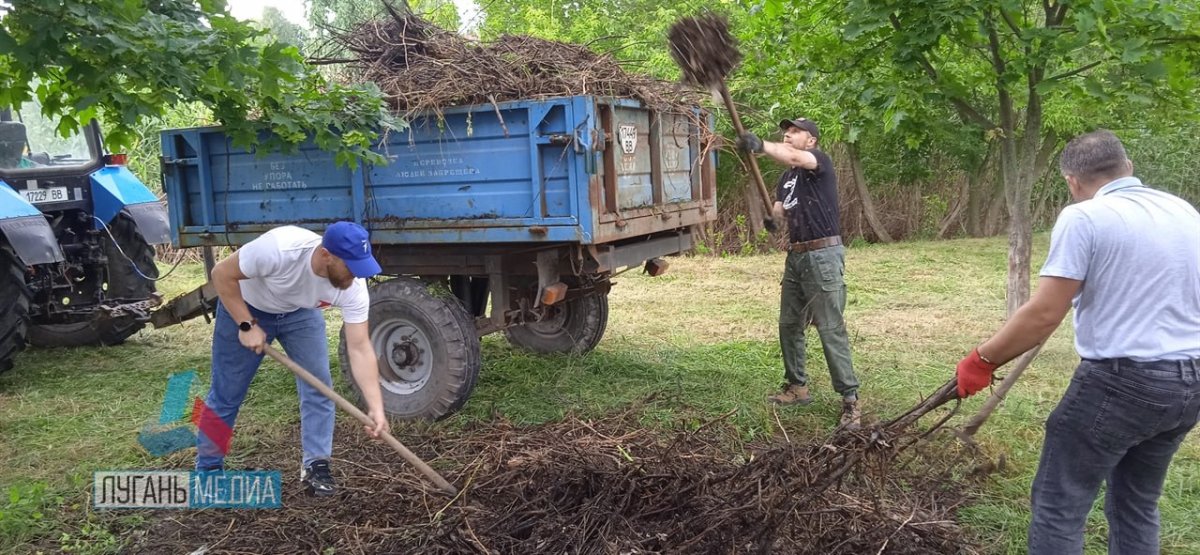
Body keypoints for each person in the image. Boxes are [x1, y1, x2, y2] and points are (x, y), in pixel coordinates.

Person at [955, 130, 1200, 554]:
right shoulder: (1182, 211)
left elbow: (1046, 312)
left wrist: (982, 360)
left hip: (1122, 383)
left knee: (1059, 505)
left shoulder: (1084, 216)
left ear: (1072, 181)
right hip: (1188, 383)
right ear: (1128, 168)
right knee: (1136, 504)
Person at [196, 221, 389, 497]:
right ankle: (209, 470)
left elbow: (359, 347)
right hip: (246, 305)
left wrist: (376, 406)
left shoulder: (353, 287)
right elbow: (221, 274)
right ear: (326, 255)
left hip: (299, 313)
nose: (356, 276)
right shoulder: (278, 250)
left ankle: (316, 465)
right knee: (227, 392)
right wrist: (246, 324)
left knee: (319, 386)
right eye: (351, 266)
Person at [737, 117, 861, 429]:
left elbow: (792, 156)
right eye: (786, 132)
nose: (789, 135)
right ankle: (797, 387)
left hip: (823, 255)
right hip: (797, 256)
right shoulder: (786, 179)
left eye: (796, 132)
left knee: (830, 327)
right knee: (789, 324)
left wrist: (760, 145)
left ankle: (850, 400)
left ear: (812, 141)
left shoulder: (819, 162)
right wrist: (773, 220)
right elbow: (780, 210)